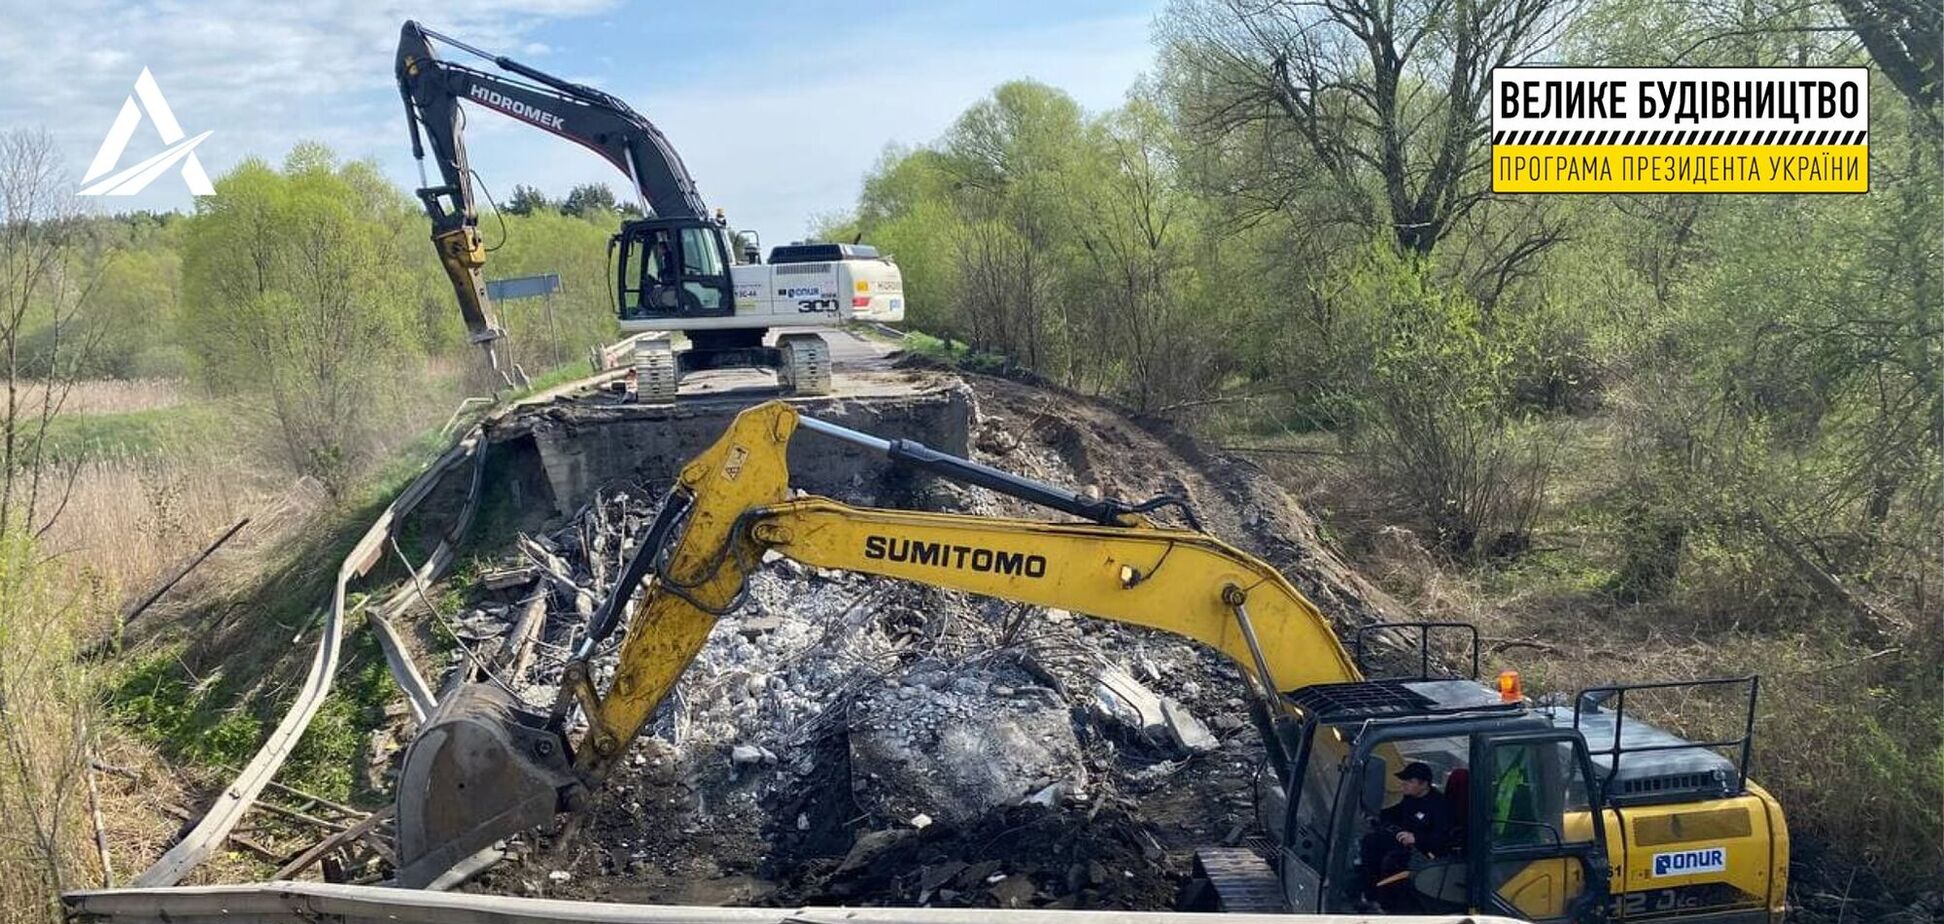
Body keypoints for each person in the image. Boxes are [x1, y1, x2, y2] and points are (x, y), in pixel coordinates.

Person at [1360, 761, 1458, 908]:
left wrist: (1416, 839)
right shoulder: (1409, 798)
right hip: (1402, 840)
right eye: (1404, 780)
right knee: (1370, 842)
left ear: (1424, 784)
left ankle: (1390, 905)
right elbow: (1394, 814)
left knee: (1391, 861)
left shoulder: (1439, 806)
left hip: (1425, 852)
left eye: (1410, 781)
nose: (1404, 784)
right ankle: (1369, 893)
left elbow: (1442, 838)